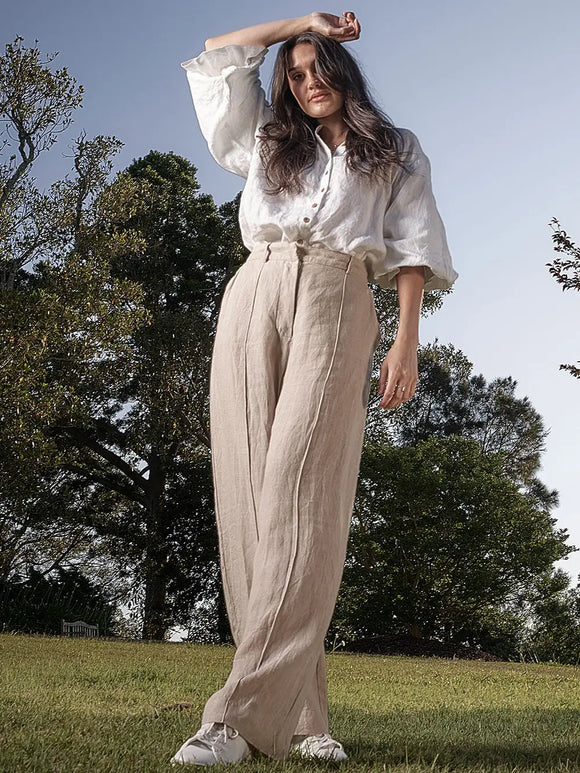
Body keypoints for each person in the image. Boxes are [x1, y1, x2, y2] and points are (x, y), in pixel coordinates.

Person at [172, 10, 458, 767]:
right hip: (253, 291)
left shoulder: (394, 151)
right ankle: (303, 716)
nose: (307, 82)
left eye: (318, 67)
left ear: (343, 70)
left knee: (303, 495)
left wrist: (406, 340)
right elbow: (216, 53)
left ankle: (233, 718)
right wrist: (299, 20)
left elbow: (413, 251)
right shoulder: (269, 140)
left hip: (338, 294)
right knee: (250, 506)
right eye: (295, 74)